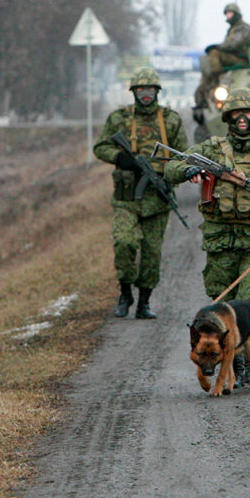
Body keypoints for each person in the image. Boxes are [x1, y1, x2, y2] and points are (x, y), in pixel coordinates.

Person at [167, 88, 250, 385]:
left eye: (248, 113)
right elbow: (172, 166)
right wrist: (190, 170)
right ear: (227, 116)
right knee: (222, 301)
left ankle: (249, 363)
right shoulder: (212, 150)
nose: (242, 118)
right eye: (236, 113)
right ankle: (235, 362)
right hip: (221, 239)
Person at [93, 67, 189, 320]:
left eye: (150, 89)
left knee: (151, 254)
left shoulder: (171, 120)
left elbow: (184, 157)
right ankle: (125, 293)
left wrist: (170, 176)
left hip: (157, 200)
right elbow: (101, 147)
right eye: (140, 90)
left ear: (157, 91)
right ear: (134, 92)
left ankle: (144, 302)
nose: (145, 94)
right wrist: (121, 157)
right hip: (126, 198)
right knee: (124, 243)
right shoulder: (119, 119)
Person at [193, 2, 250, 122]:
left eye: (230, 14)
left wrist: (218, 47)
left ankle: (216, 77)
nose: (228, 17)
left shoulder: (243, 28)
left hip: (241, 59)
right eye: (227, 14)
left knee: (214, 54)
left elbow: (234, 44)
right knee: (207, 60)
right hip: (232, 57)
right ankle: (206, 89)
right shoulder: (232, 29)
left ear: (236, 14)